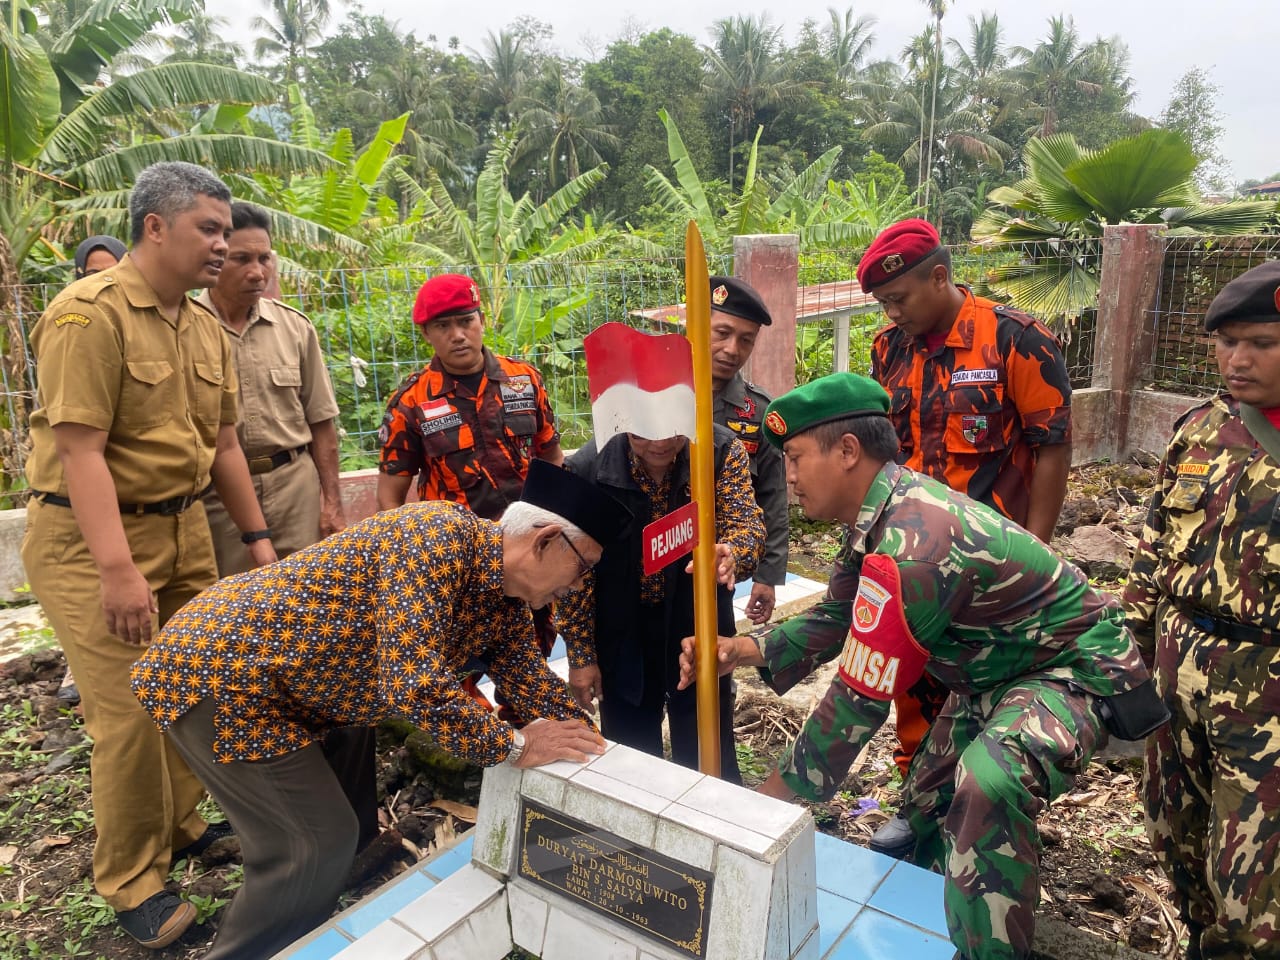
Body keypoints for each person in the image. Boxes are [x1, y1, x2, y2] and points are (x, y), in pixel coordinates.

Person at [678, 373, 1156, 960]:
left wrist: (768, 802)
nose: (790, 477)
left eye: (797, 458)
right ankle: (928, 898)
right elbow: (839, 613)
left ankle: (991, 949)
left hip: (1070, 670)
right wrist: (744, 651)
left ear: (848, 452)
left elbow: (859, 694)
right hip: (993, 674)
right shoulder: (879, 517)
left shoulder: (918, 541)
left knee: (987, 785)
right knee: (925, 804)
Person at [131, 461, 631, 960]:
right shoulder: (436, 536)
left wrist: (598, 750)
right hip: (227, 673)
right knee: (309, 845)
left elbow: (531, 680)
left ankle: (330, 897)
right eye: (582, 569)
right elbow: (413, 684)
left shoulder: (504, 598)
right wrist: (515, 746)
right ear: (543, 541)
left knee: (344, 817)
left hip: (310, 684)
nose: (578, 587)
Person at [21, 161, 277, 949]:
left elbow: (226, 445)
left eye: (226, 230)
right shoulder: (86, 317)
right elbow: (80, 451)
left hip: (183, 530)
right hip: (92, 540)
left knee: (192, 687)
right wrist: (117, 572)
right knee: (129, 715)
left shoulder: (199, 324)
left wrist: (261, 544)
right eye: (208, 228)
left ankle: (181, 821)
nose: (223, 244)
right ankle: (131, 877)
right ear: (154, 227)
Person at [861, 218, 1073, 858]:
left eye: (900, 298)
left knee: (983, 694)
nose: (893, 313)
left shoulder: (1017, 341)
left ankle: (977, 823)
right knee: (913, 685)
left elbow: (1051, 448)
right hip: (914, 561)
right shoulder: (888, 350)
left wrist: (1037, 553)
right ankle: (918, 812)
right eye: (884, 304)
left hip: (992, 568)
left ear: (940, 276)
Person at [1123, 260, 1280, 960]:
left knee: (1254, 889)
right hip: (1175, 670)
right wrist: (1123, 653)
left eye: (1261, 343)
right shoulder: (1201, 430)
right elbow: (1153, 549)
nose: (1236, 359)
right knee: (1173, 836)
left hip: (1266, 686)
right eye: (1225, 342)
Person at [377, 273, 564, 715]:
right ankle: (473, 750)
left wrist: (555, 531)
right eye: (443, 326)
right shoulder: (411, 401)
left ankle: (523, 729)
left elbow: (553, 457)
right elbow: (390, 497)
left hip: (529, 551)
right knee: (455, 668)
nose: (458, 335)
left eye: (466, 320)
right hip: (459, 563)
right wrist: (412, 562)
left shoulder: (524, 381)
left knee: (531, 661)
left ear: (482, 319)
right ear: (426, 334)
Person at [558, 427, 764, 782]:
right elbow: (574, 574)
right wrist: (581, 655)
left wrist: (731, 554)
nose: (659, 443)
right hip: (621, 627)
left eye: (671, 431)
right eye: (643, 434)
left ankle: (712, 823)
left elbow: (747, 526)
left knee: (707, 742)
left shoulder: (718, 451)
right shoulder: (587, 468)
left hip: (696, 619)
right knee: (630, 757)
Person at [54, 235, 131, 707]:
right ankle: (76, 670)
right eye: (92, 272)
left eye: (113, 268)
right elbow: (78, 449)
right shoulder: (78, 321)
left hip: (160, 515)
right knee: (118, 696)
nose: (105, 279)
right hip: (92, 510)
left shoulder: (177, 321)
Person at [708, 275, 789, 625]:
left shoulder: (758, 413)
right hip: (653, 565)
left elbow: (772, 497)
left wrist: (767, 576)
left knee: (716, 666)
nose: (732, 350)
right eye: (722, 333)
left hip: (721, 570)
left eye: (746, 340)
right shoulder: (656, 395)